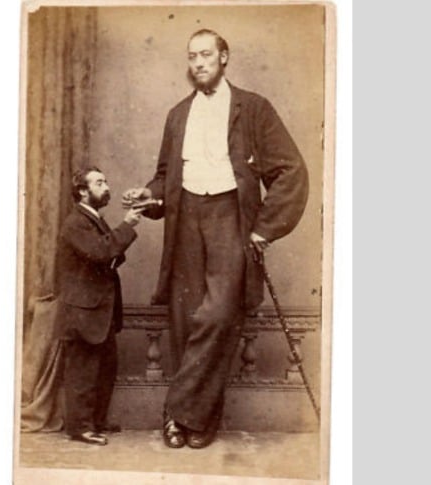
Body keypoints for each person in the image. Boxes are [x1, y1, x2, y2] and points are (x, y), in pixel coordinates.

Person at [122, 29, 309, 449]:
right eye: (192, 57)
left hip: (230, 218)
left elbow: (291, 171)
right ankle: (200, 421)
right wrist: (148, 194)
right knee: (187, 316)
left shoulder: (254, 108)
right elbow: (166, 178)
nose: (198, 63)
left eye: (206, 55)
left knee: (219, 316)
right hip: (186, 219)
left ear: (224, 57)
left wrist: (264, 227)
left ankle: (178, 413)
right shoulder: (178, 115)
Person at [57, 166, 143, 445]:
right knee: (83, 371)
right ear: (83, 191)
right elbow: (100, 252)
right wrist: (127, 225)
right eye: (99, 183)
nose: (106, 187)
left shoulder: (94, 219)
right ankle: (80, 428)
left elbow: (111, 255)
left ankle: (96, 422)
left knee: (104, 368)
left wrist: (114, 246)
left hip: (99, 310)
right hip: (84, 311)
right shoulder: (76, 222)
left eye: (106, 181)